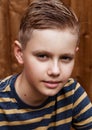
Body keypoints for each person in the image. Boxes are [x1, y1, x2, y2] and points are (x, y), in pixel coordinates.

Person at [0, 0, 92, 129]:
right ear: (20, 53)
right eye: (42, 56)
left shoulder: (72, 93)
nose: (55, 71)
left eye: (65, 58)